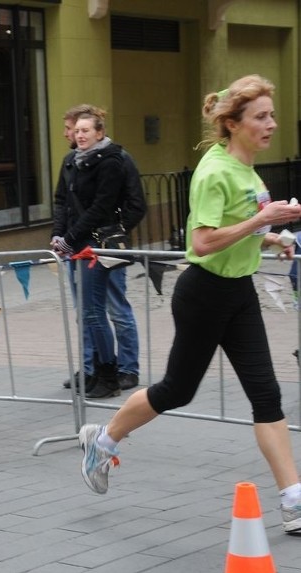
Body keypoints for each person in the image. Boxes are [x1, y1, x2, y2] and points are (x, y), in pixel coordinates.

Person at [77, 74, 301, 534]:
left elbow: (242, 230)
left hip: (239, 293)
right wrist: (263, 218)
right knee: (177, 391)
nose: (271, 124)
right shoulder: (214, 170)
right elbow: (201, 243)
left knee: (266, 394)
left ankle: (293, 498)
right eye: (261, 116)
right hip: (203, 294)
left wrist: (272, 236)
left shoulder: (250, 171)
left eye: (271, 115)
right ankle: (103, 438)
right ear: (233, 123)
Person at [54, 105, 145, 395]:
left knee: (114, 308)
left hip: (101, 246)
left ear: (98, 131)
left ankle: (124, 369)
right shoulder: (71, 161)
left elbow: (126, 205)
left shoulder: (115, 159)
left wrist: (114, 233)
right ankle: (93, 369)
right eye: (73, 130)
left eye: (80, 130)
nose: (73, 135)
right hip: (75, 244)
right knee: (88, 311)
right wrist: (60, 235)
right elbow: (62, 202)